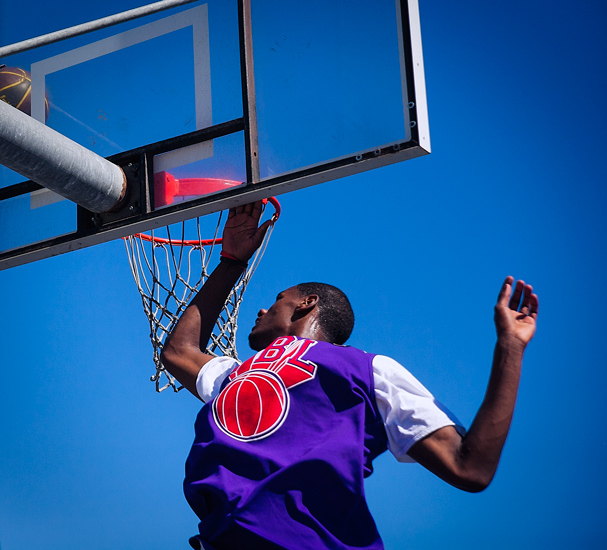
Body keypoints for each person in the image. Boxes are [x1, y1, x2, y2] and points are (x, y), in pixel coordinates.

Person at [161, 202, 539, 550]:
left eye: (278, 298)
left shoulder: (369, 371)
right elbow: (178, 352)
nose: (263, 307)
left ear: (307, 304)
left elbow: (469, 467)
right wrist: (231, 260)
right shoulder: (239, 375)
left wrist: (510, 347)